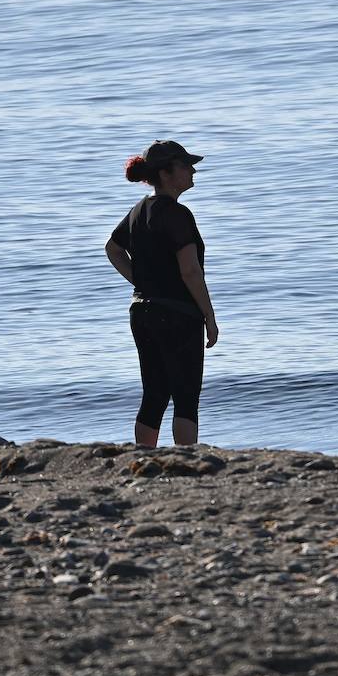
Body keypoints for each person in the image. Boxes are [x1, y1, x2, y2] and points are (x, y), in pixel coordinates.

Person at [105, 140, 218, 447]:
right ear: (167, 173)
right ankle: (187, 458)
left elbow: (113, 249)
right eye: (185, 165)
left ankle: (144, 456)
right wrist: (209, 315)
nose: (193, 170)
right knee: (185, 395)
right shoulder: (178, 214)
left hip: (142, 311)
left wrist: (140, 281)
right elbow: (190, 271)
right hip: (178, 313)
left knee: (154, 394)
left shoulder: (139, 210)